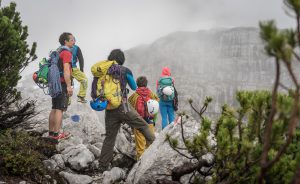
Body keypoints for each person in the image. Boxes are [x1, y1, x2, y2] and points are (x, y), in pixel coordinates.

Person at [97, 49, 155, 172]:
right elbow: (134, 86)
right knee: (143, 125)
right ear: (121, 59)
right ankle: (157, 149)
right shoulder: (125, 70)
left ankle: (102, 166)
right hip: (123, 106)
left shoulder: (104, 70)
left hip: (109, 108)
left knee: (110, 138)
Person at [48, 32, 74, 140]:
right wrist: (69, 86)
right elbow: (66, 69)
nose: (74, 42)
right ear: (66, 41)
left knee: (54, 108)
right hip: (62, 83)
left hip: (54, 83)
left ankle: (51, 133)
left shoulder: (58, 51)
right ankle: (57, 134)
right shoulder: (66, 53)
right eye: (72, 40)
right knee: (60, 109)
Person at [128, 76, 159, 160]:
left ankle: (140, 163)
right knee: (151, 143)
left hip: (138, 123)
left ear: (137, 84)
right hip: (150, 122)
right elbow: (156, 104)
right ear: (146, 84)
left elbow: (128, 106)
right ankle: (150, 162)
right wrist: (154, 120)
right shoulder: (151, 94)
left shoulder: (134, 96)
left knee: (140, 146)